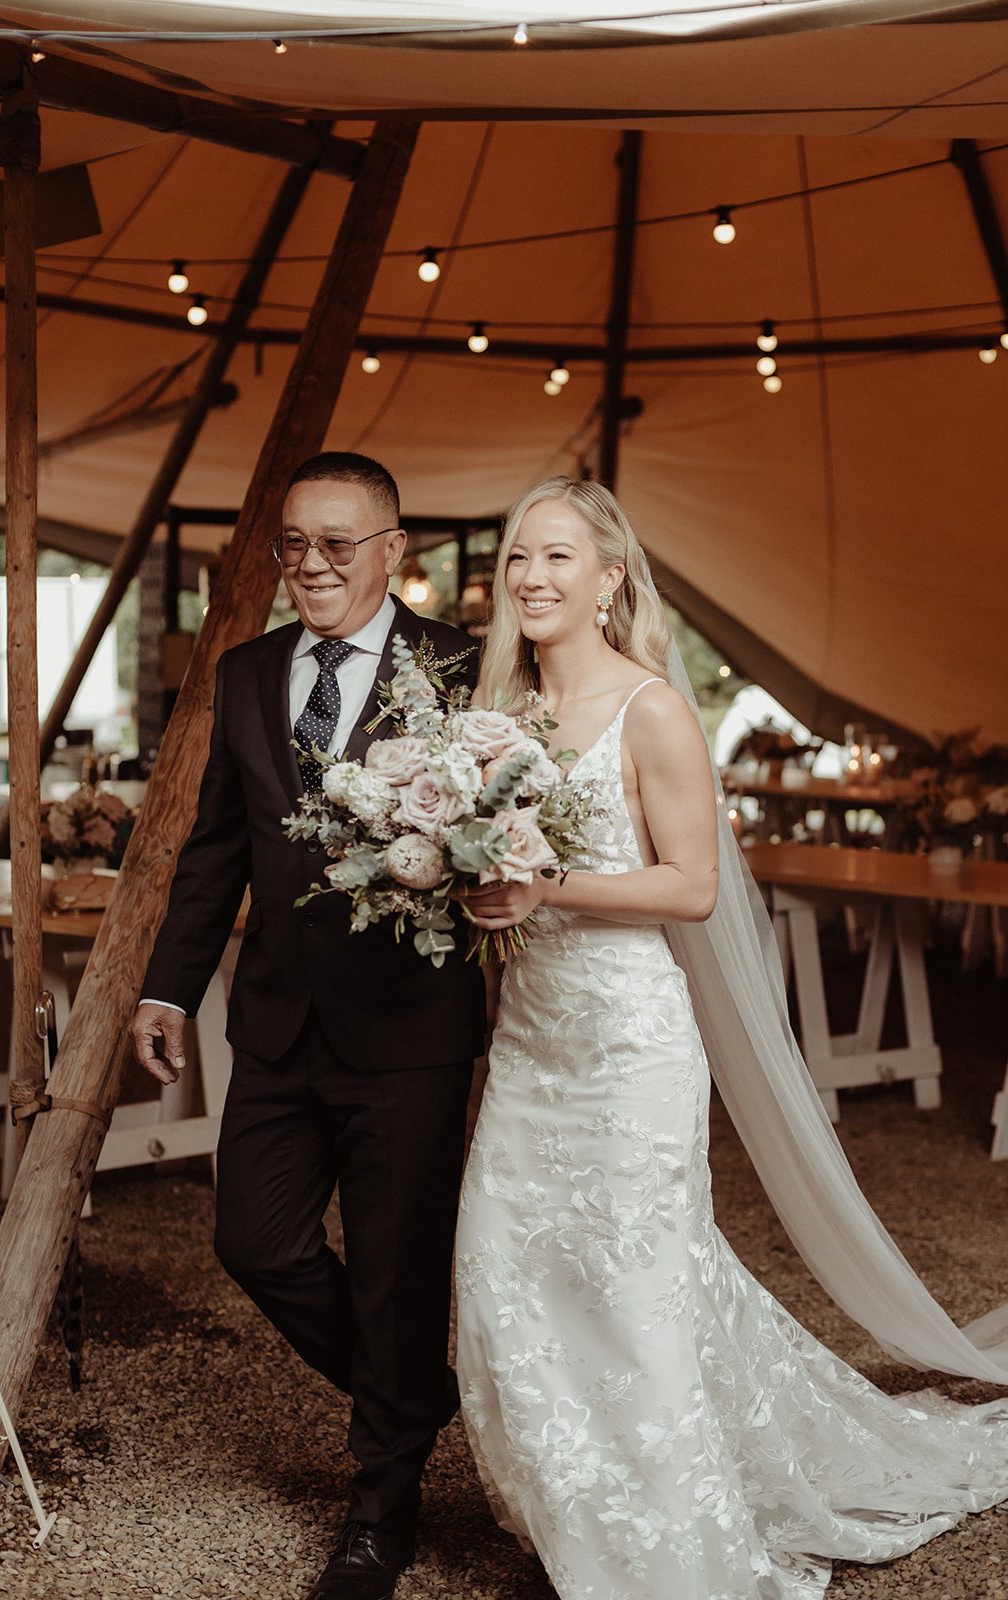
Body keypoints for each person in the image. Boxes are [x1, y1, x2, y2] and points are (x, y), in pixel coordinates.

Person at [456, 477, 1008, 1600]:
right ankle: (574, 1500)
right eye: (519, 556)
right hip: (531, 1042)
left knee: (635, 1283)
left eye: (560, 557)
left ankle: (660, 1535)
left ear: (611, 579)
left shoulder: (650, 707)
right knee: (512, 1270)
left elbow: (694, 886)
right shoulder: (496, 719)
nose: (534, 576)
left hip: (627, 1043)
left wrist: (549, 883)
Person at [129, 453, 484, 1600]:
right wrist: (169, 988)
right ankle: (413, 1396)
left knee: (395, 1270)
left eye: (338, 542)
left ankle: (382, 1514)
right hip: (277, 1022)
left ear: (393, 548)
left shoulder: (467, 669)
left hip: (410, 1030)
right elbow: (217, 847)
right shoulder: (245, 673)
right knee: (256, 1242)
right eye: (292, 543)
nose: (312, 564)